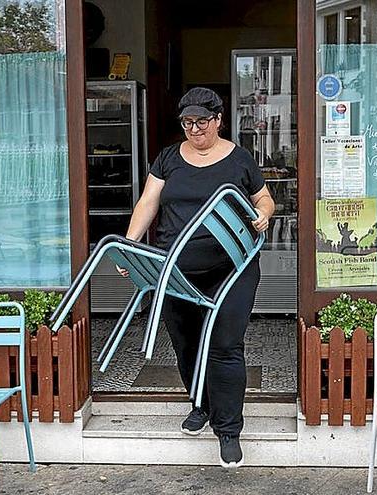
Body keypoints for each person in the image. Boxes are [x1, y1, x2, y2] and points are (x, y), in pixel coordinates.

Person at [118, 87, 274, 468]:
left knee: (224, 345)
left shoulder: (239, 160)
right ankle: (200, 405)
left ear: (218, 120)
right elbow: (148, 202)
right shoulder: (168, 159)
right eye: (187, 122)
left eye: (201, 121)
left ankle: (229, 430)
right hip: (176, 270)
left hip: (232, 269)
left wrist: (265, 214)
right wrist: (130, 244)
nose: (194, 129)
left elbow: (264, 197)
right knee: (187, 344)